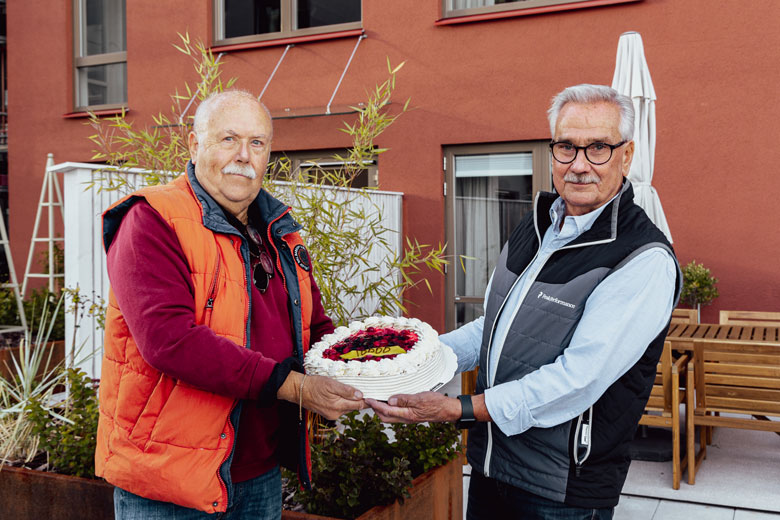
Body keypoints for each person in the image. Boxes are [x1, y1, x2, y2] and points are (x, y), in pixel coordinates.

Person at [368, 84, 681, 519]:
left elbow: (579, 379)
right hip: (492, 467)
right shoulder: (534, 228)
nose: (579, 165)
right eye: (567, 147)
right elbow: (492, 326)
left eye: (598, 149)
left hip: (561, 490)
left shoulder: (641, 257)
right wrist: (408, 362)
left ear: (626, 155)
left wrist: (458, 409)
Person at [95, 89, 365, 519]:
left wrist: (375, 371)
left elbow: (314, 330)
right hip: (171, 481)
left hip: (257, 473)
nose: (244, 155)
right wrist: (297, 388)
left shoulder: (281, 232)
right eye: (228, 139)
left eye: (257, 143)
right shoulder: (152, 220)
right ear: (194, 144)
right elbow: (170, 341)